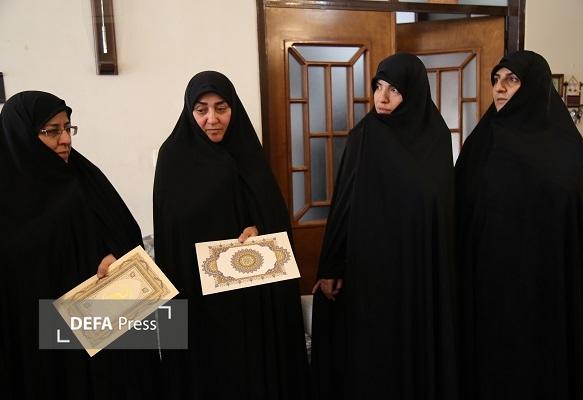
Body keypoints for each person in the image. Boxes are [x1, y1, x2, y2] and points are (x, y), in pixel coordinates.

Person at [153, 71, 310, 400]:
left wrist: (258, 229)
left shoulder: (248, 153)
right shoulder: (173, 158)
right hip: (198, 298)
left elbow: (272, 215)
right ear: (190, 112)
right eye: (201, 110)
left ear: (233, 109)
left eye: (221, 108)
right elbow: (170, 234)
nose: (212, 119)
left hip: (250, 295)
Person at [311, 53, 458, 399]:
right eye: (378, 87)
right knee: (375, 356)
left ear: (413, 92)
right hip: (371, 273)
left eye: (394, 89)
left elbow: (443, 208)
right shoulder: (365, 135)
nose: (382, 97)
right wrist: (330, 266)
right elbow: (343, 204)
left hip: (419, 273)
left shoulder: (436, 136)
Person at [455, 50, 583, 399]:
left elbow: (568, 223)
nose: (499, 88)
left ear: (534, 85)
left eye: (512, 79)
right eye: (496, 79)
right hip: (488, 286)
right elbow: (458, 209)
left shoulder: (566, 145)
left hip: (543, 287)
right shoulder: (480, 142)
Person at [0, 91, 160, 399]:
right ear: (20, 135)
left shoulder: (85, 179)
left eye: (67, 128)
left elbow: (126, 232)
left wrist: (117, 253)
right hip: (36, 344)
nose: (65, 140)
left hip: (101, 331)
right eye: (52, 131)